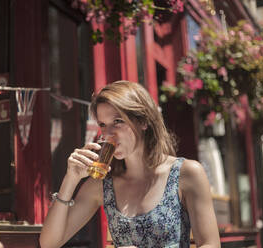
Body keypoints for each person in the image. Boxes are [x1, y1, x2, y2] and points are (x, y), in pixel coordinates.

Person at [40, 81, 220, 248]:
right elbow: (49, 243)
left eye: (117, 122)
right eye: (103, 124)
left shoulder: (186, 173)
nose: (108, 133)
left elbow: (211, 244)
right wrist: (70, 180)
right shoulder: (102, 185)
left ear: (143, 121)